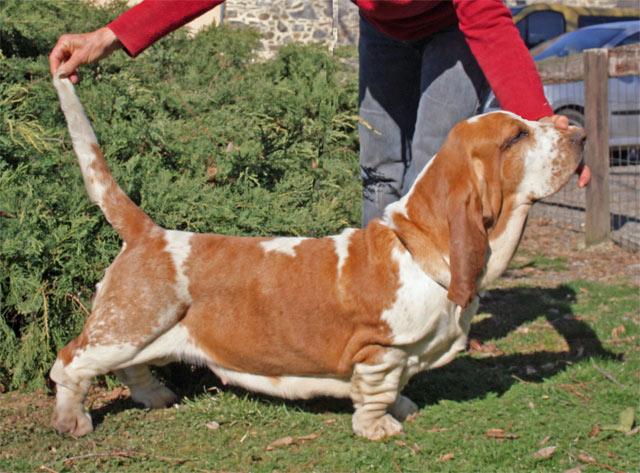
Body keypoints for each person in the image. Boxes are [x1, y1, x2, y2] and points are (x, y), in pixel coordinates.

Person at [49, 0, 591, 225]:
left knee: (434, 165)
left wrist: (541, 125)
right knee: (379, 167)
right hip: (385, 33)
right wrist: (108, 36)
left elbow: (491, 28)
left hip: (452, 30)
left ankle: (439, 309)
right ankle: (378, 300)